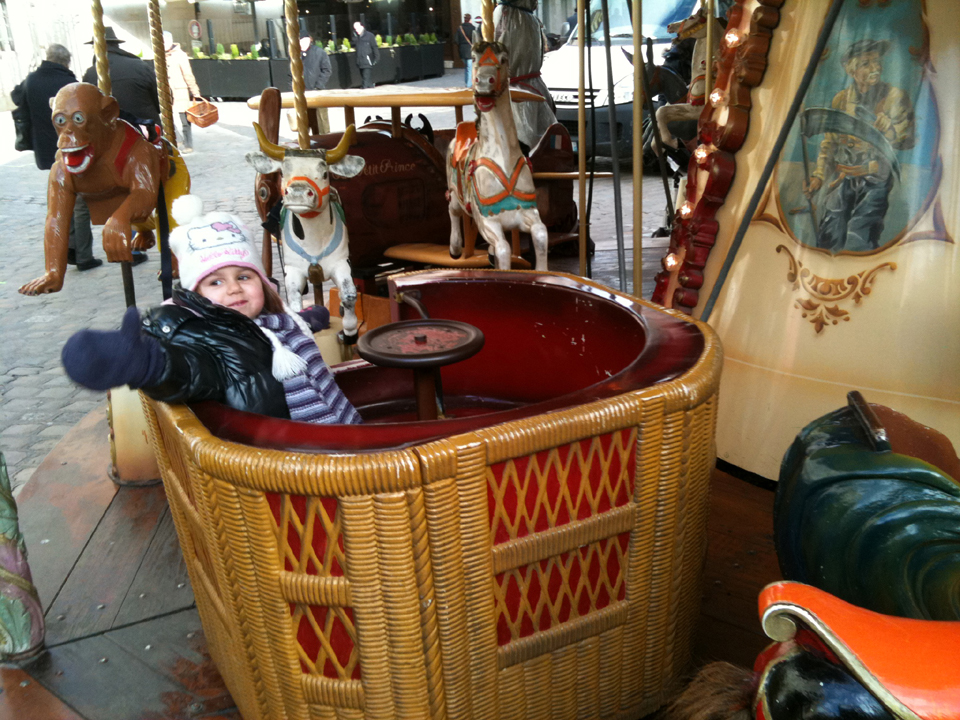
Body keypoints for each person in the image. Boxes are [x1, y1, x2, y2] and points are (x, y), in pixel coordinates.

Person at [61, 195, 363, 425]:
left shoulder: (273, 323)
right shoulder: (209, 343)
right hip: (286, 460)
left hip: (312, 440)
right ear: (197, 295)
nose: (233, 289)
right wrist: (146, 362)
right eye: (216, 282)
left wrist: (305, 320)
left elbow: (271, 333)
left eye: (244, 277)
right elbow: (187, 369)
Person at [804, 39, 915, 253]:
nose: (875, 68)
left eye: (877, 61)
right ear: (852, 70)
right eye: (866, 63)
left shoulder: (895, 98)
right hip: (843, 178)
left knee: (860, 238)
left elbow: (907, 140)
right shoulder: (841, 100)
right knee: (829, 235)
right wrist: (818, 176)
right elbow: (829, 143)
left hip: (875, 179)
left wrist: (890, 130)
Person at [12, 44, 102, 271]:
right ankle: (83, 254)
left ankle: (69, 248)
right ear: (65, 61)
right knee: (79, 201)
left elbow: (15, 96)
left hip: (45, 148)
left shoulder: (32, 79)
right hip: (72, 147)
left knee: (60, 199)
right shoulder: (68, 82)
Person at [83, 25, 160, 265]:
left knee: (123, 188)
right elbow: (158, 99)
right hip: (146, 134)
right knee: (151, 187)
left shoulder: (91, 73)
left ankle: (133, 239)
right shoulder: (139, 66)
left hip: (117, 140)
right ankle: (145, 236)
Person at [163, 31, 201, 153]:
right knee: (165, 117)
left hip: (180, 91)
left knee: (185, 120)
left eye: (164, 41)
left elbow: (188, 74)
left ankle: (188, 144)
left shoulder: (180, 55)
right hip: (166, 92)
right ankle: (178, 139)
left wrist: (195, 92)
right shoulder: (160, 55)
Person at [300, 29, 332, 134]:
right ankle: (307, 141)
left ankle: (325, 140)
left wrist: (318, 86)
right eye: (300, 41)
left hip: (318, 92)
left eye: (304, 40)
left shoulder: (319, 52)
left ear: (309, 40)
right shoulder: (295, 55)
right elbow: (291, 74)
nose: (302, 43)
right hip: (302, 94)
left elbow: (327, 70)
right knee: (305, 122)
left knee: (322, 121)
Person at [352, 21, 379, 89]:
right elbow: (354, 44)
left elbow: (374, 47)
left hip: (367, 59)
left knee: (365, 77)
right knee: (365, 76)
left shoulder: (370, 36)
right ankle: (370, 86)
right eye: (355, 29)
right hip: (360, 60)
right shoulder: (356, 37)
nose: (356, 30)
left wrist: (377, 57)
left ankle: (365, 87)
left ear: (362, 27)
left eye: (357, 28)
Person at [457, 13, 475, 86]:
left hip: (462, 50)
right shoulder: (473, 28)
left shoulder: (460, 28)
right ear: (470, 19)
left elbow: (456, 40)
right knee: (470, 68)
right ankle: (469, 84)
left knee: (466, 67)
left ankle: (466, 82)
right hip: (470, 49)